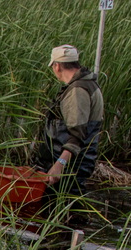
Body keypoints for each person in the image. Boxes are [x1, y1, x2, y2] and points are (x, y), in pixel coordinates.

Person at [33, 44, 104, 195]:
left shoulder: (77, 91)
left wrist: (59, 164)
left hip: (70, 167)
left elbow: (77, 135)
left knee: (64, 205)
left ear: (57, 66)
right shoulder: (87, 83)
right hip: (72, 165)